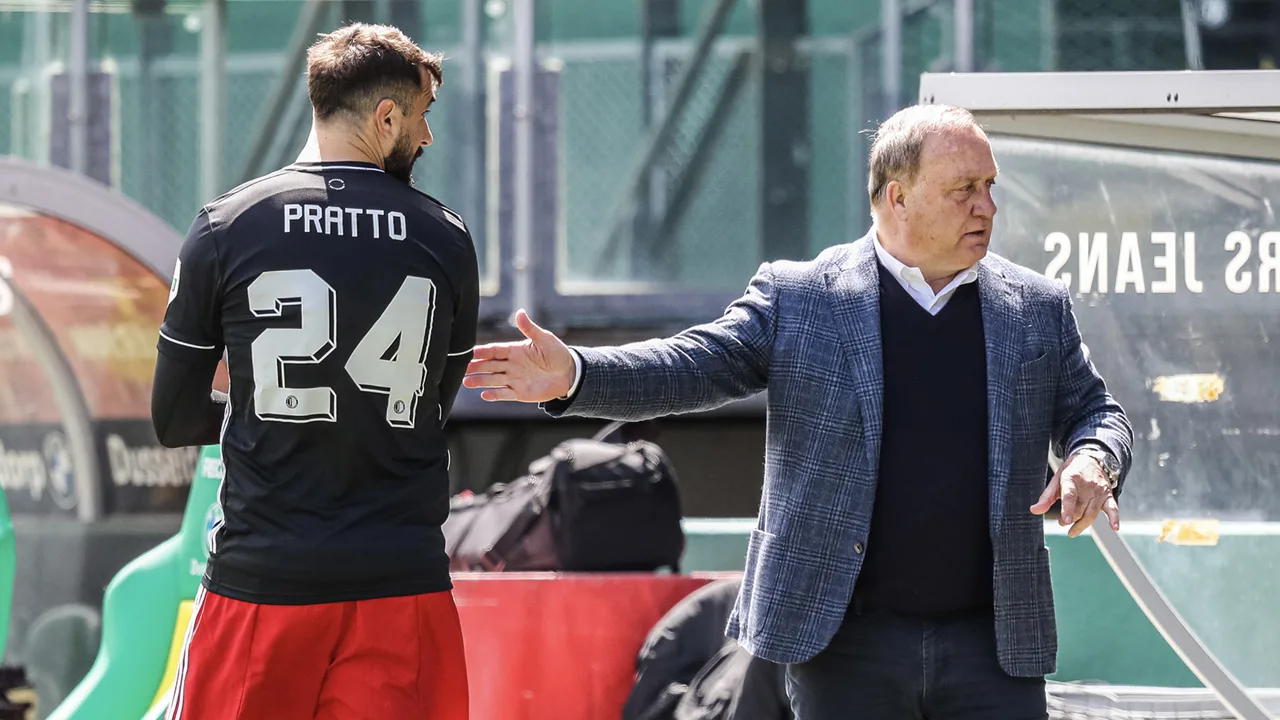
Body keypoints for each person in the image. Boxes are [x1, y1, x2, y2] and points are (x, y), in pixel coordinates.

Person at [463, 104, 1133, 719]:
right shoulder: (802, 297)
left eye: (990, 187)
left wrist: (1093, 459)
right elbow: (689, 366)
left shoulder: (1036, 307)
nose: (987, 206)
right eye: (965, 190)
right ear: (897, 197)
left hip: (993, 647)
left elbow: (1096, 413)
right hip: (843, 643)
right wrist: (575, 374)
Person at [150, 23, 477, 720]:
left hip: (263, 580)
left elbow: (173, 417)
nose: (426, 139)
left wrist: (269, 403)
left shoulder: (224, 227)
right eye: (421, 119)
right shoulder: (446, 237)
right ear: (386, 116)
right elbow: (432, 406)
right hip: (402, 584)